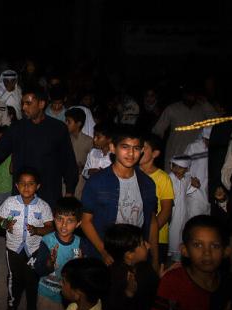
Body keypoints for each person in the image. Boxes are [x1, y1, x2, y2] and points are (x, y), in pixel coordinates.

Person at [0, 86, 78, 208]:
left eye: (28, 103)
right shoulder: (16, 128)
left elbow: (68, 162)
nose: (23, 107)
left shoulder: (58, 128)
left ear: (41, 104)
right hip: (22, 193)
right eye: (22, 103)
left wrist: (70, 191)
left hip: (49, 193)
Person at [79, 125, 159, 266]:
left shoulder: (147, 183)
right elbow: (86, 221)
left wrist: (155, 260)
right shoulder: (97, 182)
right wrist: (103, 251)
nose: (131, 153)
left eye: (136, 148)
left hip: (136, 254)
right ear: (112, 148)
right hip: (103, 253)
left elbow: (152, 222)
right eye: (125, 147)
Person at [32, 197, 85, 310]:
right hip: (47, 295)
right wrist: (48, 263)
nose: (63, 225)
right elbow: (38, 270)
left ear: (78, 223)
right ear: (53, 218)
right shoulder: (47, 241)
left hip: (72, 300)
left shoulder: (80, 244)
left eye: (70, 221)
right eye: (59, 219)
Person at [0, 168, 54, 310]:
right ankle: (12, 304)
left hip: (34, 250)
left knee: (32, 279)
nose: (26, 187)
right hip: (13, 249)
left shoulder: (43, 206)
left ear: (38, 186)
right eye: (22, 183)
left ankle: (32, 309)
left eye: (31, 183)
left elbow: (50, 227)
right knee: (13, 277)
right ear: (16, 186)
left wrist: (38, 230)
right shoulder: (10, 202)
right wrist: (4, 224)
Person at [153, 84, 217, 171]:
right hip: (175, 154)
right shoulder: (172, 109)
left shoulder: (202, 109)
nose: (190, 96)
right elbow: (157, 131)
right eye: (187, 93)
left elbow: (217, 121)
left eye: (192, 94)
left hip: (195, 156)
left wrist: (206, 104)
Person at [139, 134, 175, 265]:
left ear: (155, 153)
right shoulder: (132, 173)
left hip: (158, 237)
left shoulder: (163, 178)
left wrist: (149, 232)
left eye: (144, 148)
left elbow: (166, 211)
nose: (140, 150)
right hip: (136, 237)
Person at [168, 155, 194, 262]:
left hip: (183, 211)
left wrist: (194, 184)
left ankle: (178, 260)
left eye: (181, 167)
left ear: (187, 169)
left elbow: (187, 190)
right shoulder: (168, 178)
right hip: (172, 212)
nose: (177, 170)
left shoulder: (187, 178)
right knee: (172, 233)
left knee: (181, 232)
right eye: (175, 167)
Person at [65, 107, 93, 199]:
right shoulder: (65, 139)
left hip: (80, 181)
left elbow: (93, 163)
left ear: (78, 123)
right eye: (66, 121)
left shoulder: (89, 141)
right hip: (65, 179)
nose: (66, 124)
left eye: (69, 122)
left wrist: (83, 166)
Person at [183, 127, 211, 218]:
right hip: (194, 194)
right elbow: (182, 167)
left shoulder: (217, 148)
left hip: (209, 196)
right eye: (207, 139)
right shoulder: (193, 147)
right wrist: (190, 179)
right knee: (193, 222)